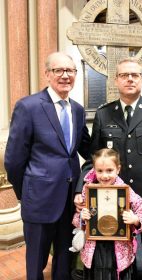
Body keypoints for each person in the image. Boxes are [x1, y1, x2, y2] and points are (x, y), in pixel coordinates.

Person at [74, 57, 142, 280]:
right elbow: (94, 160)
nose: (130, 79)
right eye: (124, 75)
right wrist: (80, 191)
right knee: (117, 258)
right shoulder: (104, 114)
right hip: (110, 202)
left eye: (135, 75)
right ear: (116, 80)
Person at [4, 52, 91, 280]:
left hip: (71, 197)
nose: (65, 75)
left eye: (70, 70)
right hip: (39, 198)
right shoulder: (29, 106)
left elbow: (85, 148)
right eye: (58, 70)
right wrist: (27, 192)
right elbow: (13, 160)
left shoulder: (77, 110)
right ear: (47, 74)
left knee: (65, 254)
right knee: (36, 260)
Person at [72, 148, 142, 279]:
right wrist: (82, 218)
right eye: (100, 171)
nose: (104, 176)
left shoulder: (126, 191)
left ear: (118, 169)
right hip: (94, 248)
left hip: (119, 249)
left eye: (109, 170)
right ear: (94, 170)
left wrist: (135, 219)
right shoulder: (88, 190)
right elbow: (76, 219)